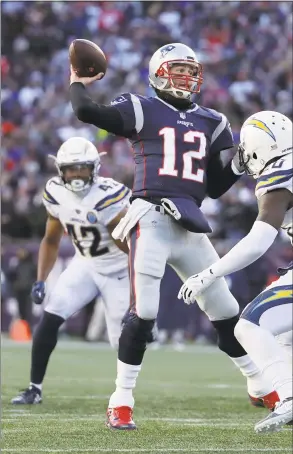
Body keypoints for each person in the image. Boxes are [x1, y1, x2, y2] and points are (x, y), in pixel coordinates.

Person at [69, 43, 278, 430]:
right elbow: (86, 111)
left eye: (189, 70)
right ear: (157, 73)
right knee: (144, 313)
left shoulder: (214, 121)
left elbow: (215, 186)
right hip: (150, 217)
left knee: (227, 312)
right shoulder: (140, 107)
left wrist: (239, 163)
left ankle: (259, 383)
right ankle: (121, 399)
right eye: (176, 69)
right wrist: (78, 82)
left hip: (191, 223)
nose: (185, 77)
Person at [179, 111, 293, 433]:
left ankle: (288, 399)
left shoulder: (279, 174)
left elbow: (259, 241)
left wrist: (209, 273)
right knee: (285, 336)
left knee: (249, 326)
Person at [11, 137, 130, 404]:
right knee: (51, 316)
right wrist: (40, 279)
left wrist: (140, 283)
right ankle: (34, 389)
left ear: (95, 168)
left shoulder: (109, 194)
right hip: (86, 263)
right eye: (71, 168)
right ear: (60, 170)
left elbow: (132, 246)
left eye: (82, 168)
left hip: (120, 269)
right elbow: (51, 239)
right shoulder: (55, 191)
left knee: (122, 342)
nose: (76, 174)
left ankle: (124, 395)